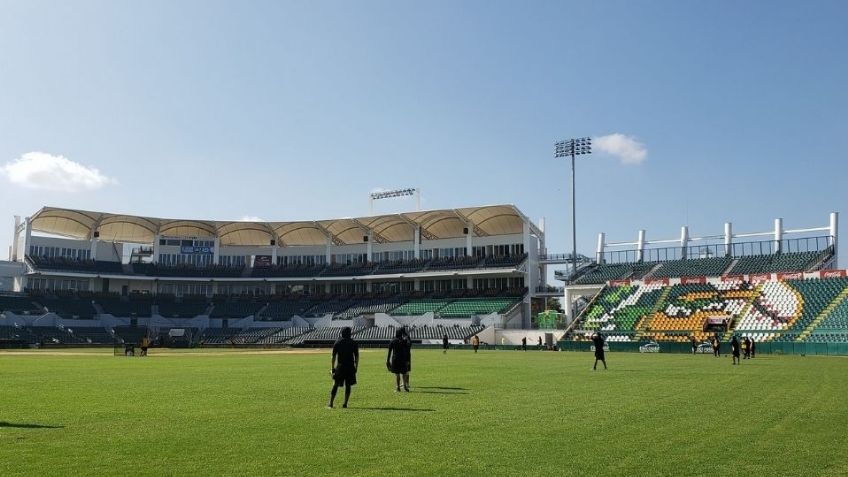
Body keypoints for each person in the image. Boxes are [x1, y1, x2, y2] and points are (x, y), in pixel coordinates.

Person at [328, 327, 359, 409]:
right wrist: (356, 367)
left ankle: (330, 403)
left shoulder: (338, 342)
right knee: (348, 385)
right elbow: (356, 356)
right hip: (350, 366)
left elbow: (333, 357)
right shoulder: (353, 342)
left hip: (340, 366)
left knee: (335, 384)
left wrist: (332, 368)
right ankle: (345, 403)